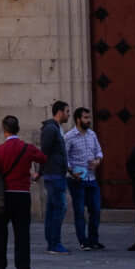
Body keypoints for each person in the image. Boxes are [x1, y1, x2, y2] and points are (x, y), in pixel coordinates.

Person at [0, 115, 39, 269]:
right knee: (22, 232)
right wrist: (35, 174)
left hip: (3, 196)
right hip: (22, 195)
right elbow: (43, 158)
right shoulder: (28, 148)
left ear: (4, 130)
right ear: (17, 128)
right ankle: (23, 267)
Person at [65, 107, 105, 250]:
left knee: (95, 209)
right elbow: (64, 157)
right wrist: (71, 171)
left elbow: (99, 152)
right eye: (86, 118)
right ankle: (83, 241)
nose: (88, 120)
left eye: (89, 117)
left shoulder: (92, 135)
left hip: (91, 178)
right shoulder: (69, 136)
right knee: (80, 211)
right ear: (78, 119)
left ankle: (94, 239)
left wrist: (97, 161)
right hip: (77, 179)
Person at [39, 101, 73, 253]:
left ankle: (52, 242)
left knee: (53, 209)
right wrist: (40, 172)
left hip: (57, 174)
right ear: (59, 112)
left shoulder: (57, 128)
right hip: (53, 175)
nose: (69, 114)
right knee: (59, 208)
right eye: (67, 111)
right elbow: (44, 152)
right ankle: (54, 243)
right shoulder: (51, 129)